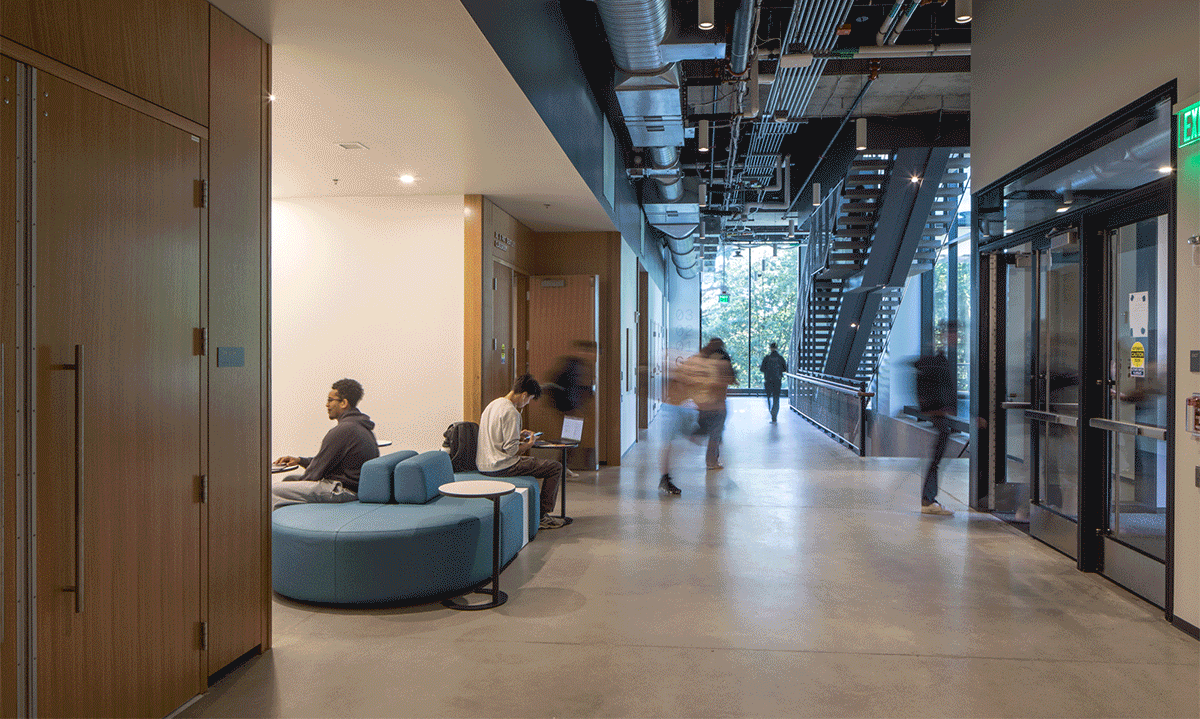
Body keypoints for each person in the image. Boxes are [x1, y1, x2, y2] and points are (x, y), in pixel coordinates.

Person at [272, 378, 380, 510]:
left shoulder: (344, 430)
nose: (327, 405)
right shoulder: (358, 426)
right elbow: (328, 461)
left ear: (343, 403)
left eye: (330, 400)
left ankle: (266, 529)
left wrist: (300, 484)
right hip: (350, 488)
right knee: (289, 479)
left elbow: (316, 471)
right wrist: (300, 461)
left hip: (343, 491)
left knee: (271, 490)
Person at [477, 374, 565, 530]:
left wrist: (517, 434)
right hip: (502, 465)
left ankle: (540, 514)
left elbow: (500, 441)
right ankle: (542, 515)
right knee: (555, 467)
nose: (528, 402)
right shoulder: (511, 412)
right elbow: (511, 451)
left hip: (484, 464)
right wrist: (529, 443)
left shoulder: (492, 405)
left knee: (542, 465)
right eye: (529, 399)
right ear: (524, 394)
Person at [913, 322, 957, 516]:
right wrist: (933, 408)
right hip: (939, 412)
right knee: (936, 459)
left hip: (940, 411)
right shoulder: (936, 357)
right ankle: (928, 499)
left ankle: (928, 498)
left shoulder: (942, 357)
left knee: (936, 458)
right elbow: (924, 377)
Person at [658, 350, 704, 495]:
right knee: (670, 447)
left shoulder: (685, 376)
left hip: (678, 411)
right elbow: (671, 394)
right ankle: (665, 478)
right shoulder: (680, 375)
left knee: (673, 447)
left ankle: (666, 477)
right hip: (673, 411)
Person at [693, 338, 737, 471]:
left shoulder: (703, 355)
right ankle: (712, 461)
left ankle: (700, 435)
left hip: (703, 399)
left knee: (712, 428)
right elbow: (729, 376)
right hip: (718, 400)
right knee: (716, 433)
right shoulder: (723, 357)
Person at [759, 342, 788, 423]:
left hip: (768, 381)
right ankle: (774, 415)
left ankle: (771, 412)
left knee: (768, 397)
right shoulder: (780, 358)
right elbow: (785, 369)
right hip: (777, 381)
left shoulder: (766, 358)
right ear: (777, 348)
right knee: (776, 398)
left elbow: (762, 369)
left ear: (770, 348)